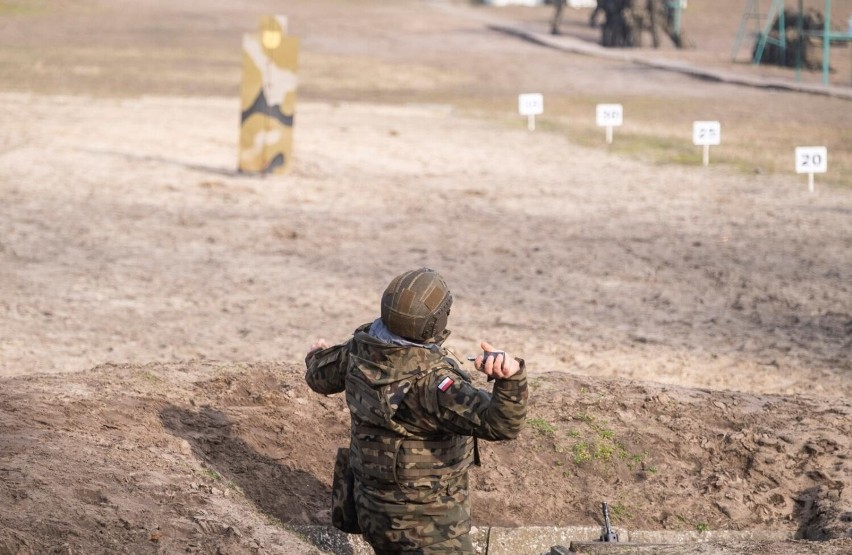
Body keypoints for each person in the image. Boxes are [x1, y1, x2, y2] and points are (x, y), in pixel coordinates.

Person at [305, 268, 528, 554]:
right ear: (436, 322)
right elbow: (502, 425)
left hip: (370, 514)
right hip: (429, 532)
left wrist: (316, 354)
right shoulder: (433, 384)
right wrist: (511, 377)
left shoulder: (360, 351)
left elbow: (318, 376)